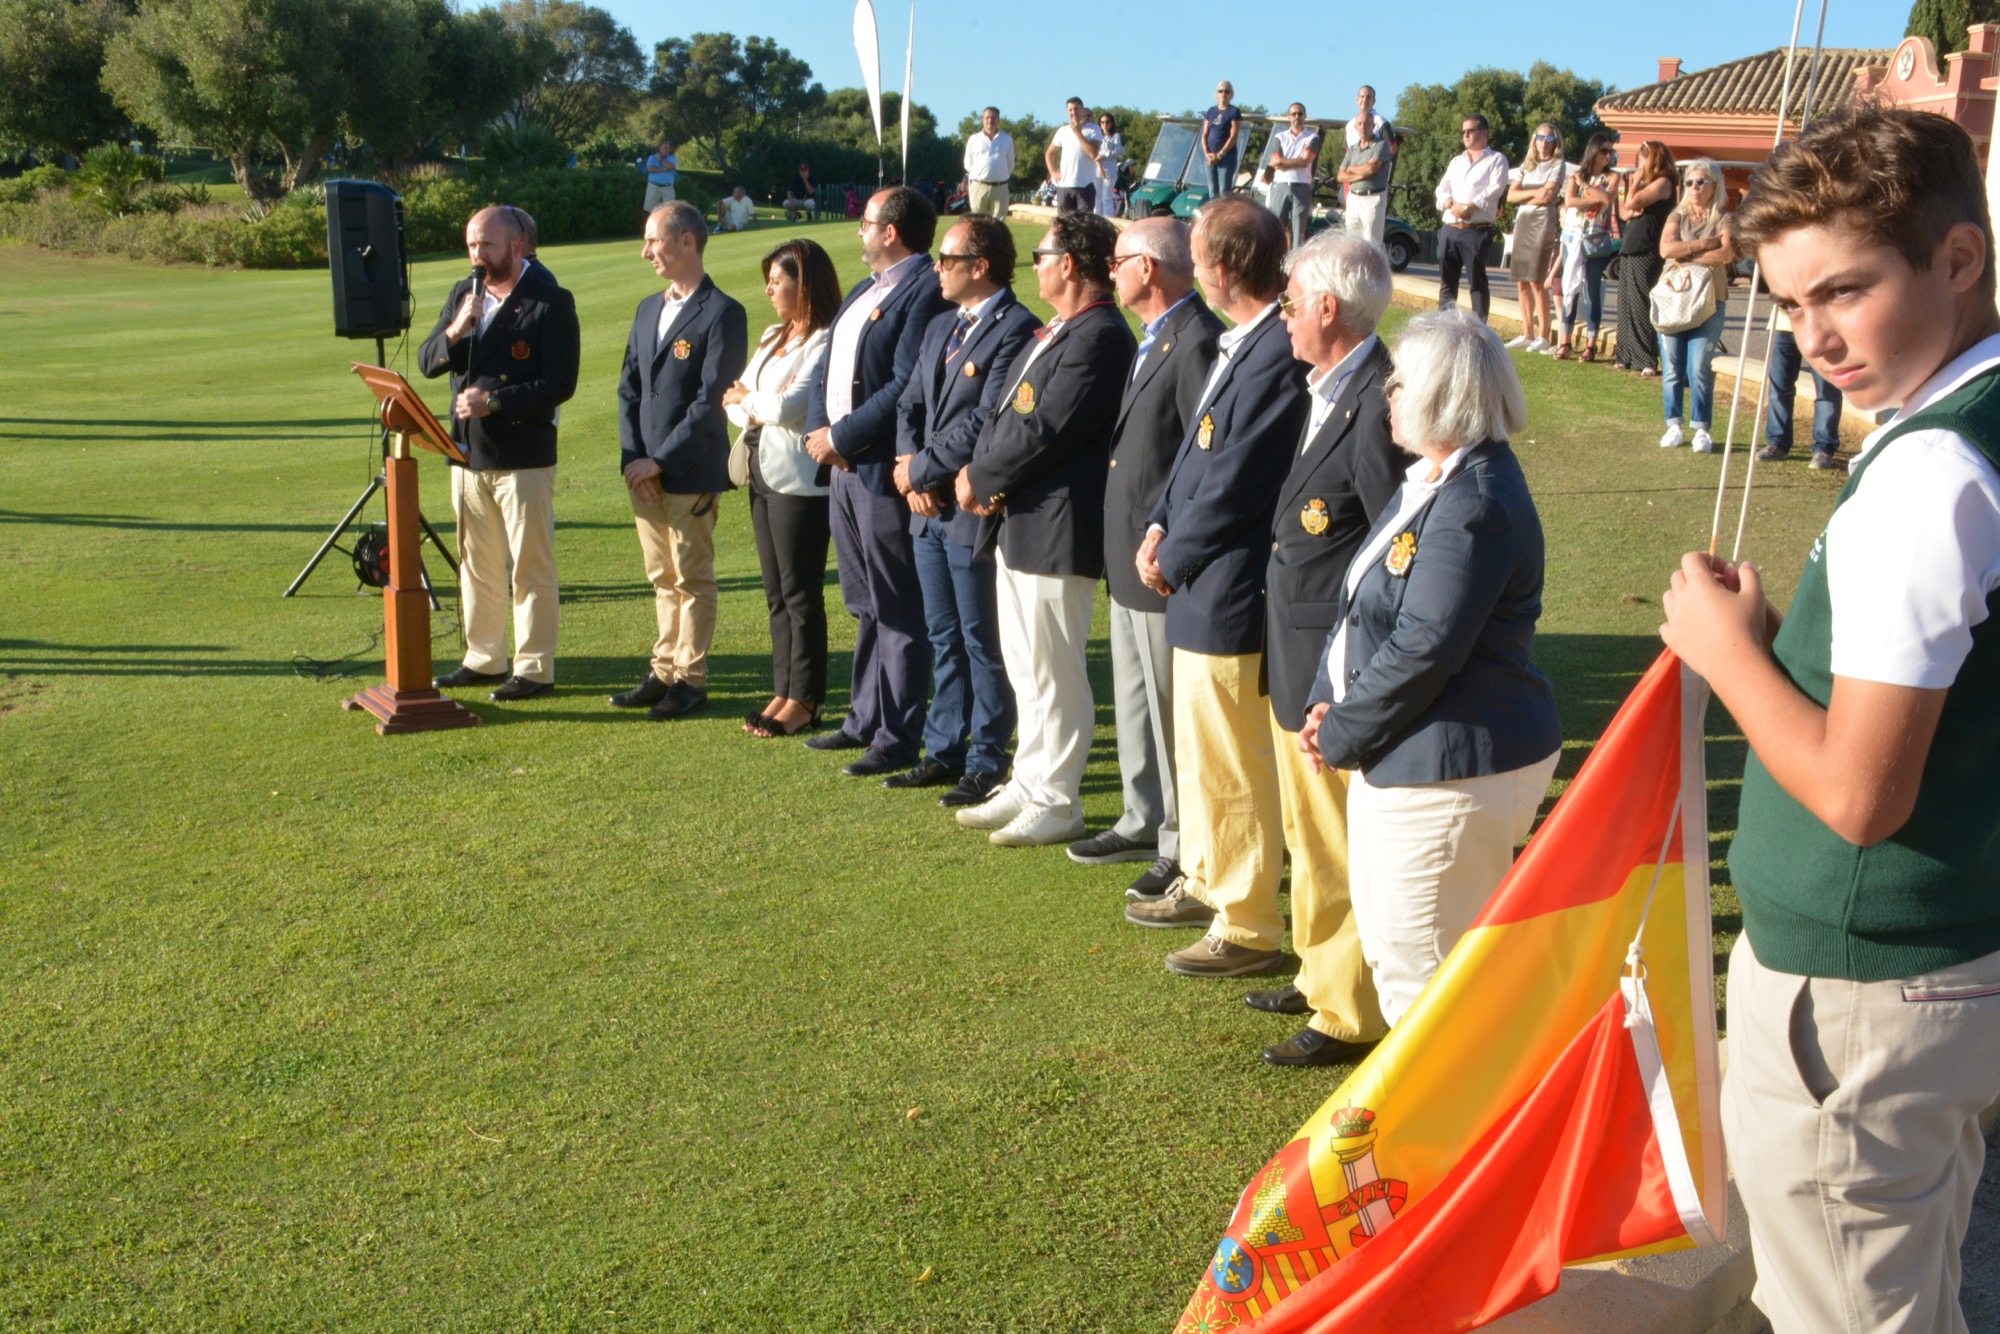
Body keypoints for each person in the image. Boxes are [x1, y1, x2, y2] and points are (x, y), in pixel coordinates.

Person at [1657, 105, 2000, 1334]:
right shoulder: (1957, 425)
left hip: (1863, 992)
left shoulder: (1930, 473)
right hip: (1929, 976)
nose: (1810, 338)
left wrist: (1725, 653)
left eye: (1843, 291)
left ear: (1956, 258)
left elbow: (1861, 797)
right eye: (1788, 303)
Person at [1302, 307, 1561, 1028]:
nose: (1387, 393)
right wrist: (1329, 698)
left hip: (1445, 768)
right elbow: (1362, 605)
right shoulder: (1436, 478)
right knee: (1406, 968)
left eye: (1399, 383)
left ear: (1440, 397)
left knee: (1425, 986)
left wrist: (1342, 730)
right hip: (1408, 754)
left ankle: (1461, 1108)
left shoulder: (1475, 501)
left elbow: (1425, 646)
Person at [1126, 198, 1309, 980]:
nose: (1193, 271)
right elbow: (1194, 458)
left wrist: (1174, 550)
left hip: (1230, 586)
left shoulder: (1275, 352)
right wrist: (1160, 525)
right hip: (1200, 579)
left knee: (1232, 764)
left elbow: (1238, 479)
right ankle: (1207, 878)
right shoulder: (1245, 342)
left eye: (1199, 258)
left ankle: (1247, 924)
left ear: (1226, 267)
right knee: (1202, 757)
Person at [1254, 228, 1406, 1067]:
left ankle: (1348, 1009)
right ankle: (1320, 973)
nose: (1281, 314)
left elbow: (1393, 550)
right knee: (1308, 836)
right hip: (1296, 649)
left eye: (1288, 301)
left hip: (1331, 666)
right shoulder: (1326, 385)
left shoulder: (1379, 402)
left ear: (1325, 306)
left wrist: (1352, 677)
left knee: (1336, 844)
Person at [953, 211, 1135, 846]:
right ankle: (1029, 781)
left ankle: (1058, 799)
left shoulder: (1101, 335)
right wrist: (983, 474)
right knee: (1027, 665)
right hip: (1023, 519)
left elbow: (1048, 428)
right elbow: (1010, 417)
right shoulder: (1064, 329)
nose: (1034, 266)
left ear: (1070, 264)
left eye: (1041, 256)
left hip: (1060, 524)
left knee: (1055, 670)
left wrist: (980, 476)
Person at [1074, 216, 1226, 895]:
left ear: (1148, 268)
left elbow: (1204, 458)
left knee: (1169, 714)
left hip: (1161, 557)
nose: (1109, 271)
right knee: (1135, 700)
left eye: (1118, 260)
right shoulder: (1157, 333)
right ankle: (1142, 816)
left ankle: (1180, 840)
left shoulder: (1196, 339)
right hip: (1130, 551)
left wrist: (1172, 538)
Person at [889, 215, 1041, 804]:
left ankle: (987, 759)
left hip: (969, 509)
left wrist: (922, 471)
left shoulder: (1017, 329)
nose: (937, 269)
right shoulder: (940, 325)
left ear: (980, 266)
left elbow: (987, 419)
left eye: (948, 260)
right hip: (927, 508)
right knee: (943, 634)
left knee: (982, 639)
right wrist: (911, 471)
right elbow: (910, 403)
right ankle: (944, 749)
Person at [801, 187, 953, 774]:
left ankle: (897, 735)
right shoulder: (865, 289)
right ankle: (864, 718)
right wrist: (820, 433)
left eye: (864, 222)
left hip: (882, 469)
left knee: (897, 605)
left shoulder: (925, 290)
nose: (858, 231)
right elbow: (827, 367)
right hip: (843, 469)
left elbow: (904, 384)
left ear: (890, 231)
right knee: (864, 601)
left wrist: (841, 438)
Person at [419, 205, 580, 703]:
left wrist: (494, 401)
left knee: (530, 568)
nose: (477, 255)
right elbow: (427, 362)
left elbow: (560, 383)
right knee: (477, 565)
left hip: (522, 455)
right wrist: (455, 330)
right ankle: (483, 658)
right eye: (471, 244)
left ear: (515, 245)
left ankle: (534, 669)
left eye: (486, 245)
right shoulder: (463, 295)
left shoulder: (549, 300)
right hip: (467, 454)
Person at [609, 202, 749, 721]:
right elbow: (629, 389)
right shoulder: (648, 308)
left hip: (689, 471)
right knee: (661, 577)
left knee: (691, 578)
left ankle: (691, 679)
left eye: (654, 240)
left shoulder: (723, 311)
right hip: (643, 474)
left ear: (686, 241)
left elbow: (711, 402)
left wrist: (661, 461)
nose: (645, 251)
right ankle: (664, 669)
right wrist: (634, 459)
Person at [727, 239, 840, 739]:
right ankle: (784, 689)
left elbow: (792, 407)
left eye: (778, 280)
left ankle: (806, 699)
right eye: (768, 280)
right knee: (775, 592)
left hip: (799, 482)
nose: (769, 289)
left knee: (800, 591)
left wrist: (752, 401)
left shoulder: (825, 340)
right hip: (760, 470)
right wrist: (754, 402)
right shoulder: (774, 335)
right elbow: (733, 399)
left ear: (805, 284)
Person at [1656, 157, 1736, 453]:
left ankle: (1702, 428)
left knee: (1699, 365)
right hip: (1674, 299)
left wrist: (1684, 254)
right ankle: (1673, 425)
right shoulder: (1677, 216)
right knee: (1672, 367)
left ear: (1715, 185)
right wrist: (1703, 245)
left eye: (1701, 182)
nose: (1694, 187)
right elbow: (1665, 249)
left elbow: (1726, 254)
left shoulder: (1725, 219)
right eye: (1689, 182)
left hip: (1710, 299)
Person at [1434, 114, 1509, 324]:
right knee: (1447, 284)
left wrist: (1469, 206)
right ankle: (1444, 326)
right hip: (1450, 229)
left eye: (1470, 130)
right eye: (1464, 131)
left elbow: (1495, 189)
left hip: (1476, 230)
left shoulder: (1496, 160)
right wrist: (1452, 204)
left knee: (1477, 283)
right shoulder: (1457, 161)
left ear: (1484, 133)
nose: (1465, 135)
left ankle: (1479, 329)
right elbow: (1441, 188)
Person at [1551, 132, 1618, 362]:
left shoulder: (1612, 177)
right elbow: (1570, 201)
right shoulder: (1576, 175)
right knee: (1570, 289)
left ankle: (1591, 344)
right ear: (1594, 151)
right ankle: (1565, 341)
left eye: (1611, 152)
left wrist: (1586, 187)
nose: (1608, 156)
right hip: (1573, 238)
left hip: (1595, 240)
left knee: (1592, 291)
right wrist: (1594, 197)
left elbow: (1608, 199)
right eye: (1604, 151)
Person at [1615, 140, 1678, 377]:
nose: (1640, 163)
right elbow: (1625, 211)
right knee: (1625, 303)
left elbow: (1633, 202)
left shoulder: (1663, 182)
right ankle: (1625, 355)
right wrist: (1634, 198)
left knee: (1641, 302)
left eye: (1645, 157)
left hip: (1647, 247)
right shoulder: (1646, 185)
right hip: (1631, 245)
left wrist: (1635, 183)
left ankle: (1645, 357)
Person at [1505, 123, 1566, 353]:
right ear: (1535, 139)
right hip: (1523, 221)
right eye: (1540, 137)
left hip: (1542, 222)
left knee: (1536, 279)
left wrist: (1525, 195)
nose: (1544, 142)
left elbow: (1548, 196)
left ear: (1555, 142)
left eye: (1549, 138)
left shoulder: (1557, 164)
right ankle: (1527, 332)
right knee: (1521, 279)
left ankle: (1543, 336)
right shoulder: (1527, 165)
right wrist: (1533, 192)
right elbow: (1510, 196)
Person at [1755, 314, 1845, 468]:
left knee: (1827, 391)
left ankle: (1824, 449)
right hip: (1783, 326)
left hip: (1821, 327)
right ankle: (1778, 443)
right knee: (1779, 389)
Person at [1266, 103, 1320, 248]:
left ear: (1305, 116)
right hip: (1280, 185)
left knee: (1299, 232)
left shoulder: (1312, 137)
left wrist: (1282, 161)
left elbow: (1305, 161)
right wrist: (1296, 160)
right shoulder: (1279, 137)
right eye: (1294, 114)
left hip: (1301, 185)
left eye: (1300, 114)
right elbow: (1275, 163)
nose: (1297, 117)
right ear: (1289, 116)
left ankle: (1296, 260)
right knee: (1276, 228)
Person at [1339, 106, 1391, 245]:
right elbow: (1340, 176)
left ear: (1373, 126)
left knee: (1371, 245)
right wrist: (1362, 173)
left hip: (1373, 199)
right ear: (1355, 127)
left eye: (1367, 123)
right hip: (1354, 198)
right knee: (1352, 244)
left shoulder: (1381, 145)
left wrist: (1351, 168)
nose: (1363, 127)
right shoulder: (1352, 149)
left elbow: (1371, 168)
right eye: (1360, 124)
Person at [1044, 98, 1102, 215]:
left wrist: (1078, 132)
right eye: (1070, 110)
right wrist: (1053, 171)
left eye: (1076, 109)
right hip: (1065, 186)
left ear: (1083, 110)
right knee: (1064, 223)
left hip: (1085, 186)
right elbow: (1049, 153)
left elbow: (1093, 154)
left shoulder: (1093, 129)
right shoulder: (1063, 131)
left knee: (1084, 224)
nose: (1073, 112)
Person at [963, 107, 1015, 219]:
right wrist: (982, 175)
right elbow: (968, 163)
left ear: (998, 120)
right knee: (978, 222)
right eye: (987, 118)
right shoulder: (973, 139)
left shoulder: (1007, 139)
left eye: (993, 118)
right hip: (979, 187)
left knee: (998, 223)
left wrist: (998, 175)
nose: (990, 120)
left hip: (1000, 188)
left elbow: (1010, 164)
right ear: (983, 120)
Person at [1200, 81, 1243, 200]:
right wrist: (1207, 153)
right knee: (1212, 191)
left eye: (1226, 91)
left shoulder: (1234, 111)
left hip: (1227, 156)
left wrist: (1220, 155)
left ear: (1231, 94)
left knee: (1224, 192)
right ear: (1217, 93)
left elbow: (1233, 136)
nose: (1223, 93)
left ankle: (1225, 212)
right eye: (1221, 91)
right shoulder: (1211, 111)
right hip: (1210, 156)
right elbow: (1204, 134)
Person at [1095, 112, 1126, 219]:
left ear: (1111, 123)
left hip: (1110, 170)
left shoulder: (1115, 136)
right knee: (1097, 197)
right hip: (1096, 168)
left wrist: (1102, 155)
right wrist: (1099, 157)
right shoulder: (1097, 135)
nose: (1104, 124)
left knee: (1107, 197)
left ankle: (1107, 219)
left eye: (1107, 122)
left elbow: (1116, 150)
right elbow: (1093, 150)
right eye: (1102, 122)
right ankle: (1096, 219)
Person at [1342, 85, 1388, 151]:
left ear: (1374, 101)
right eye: (1362, 96)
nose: (1365, 99)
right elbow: (1347, 149)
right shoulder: (1350, 125)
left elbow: (1392, 147)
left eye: (1368, 97)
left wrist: (1377, 157)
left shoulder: (1381, 121)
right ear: (1357, 100)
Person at [643, 141, 677, 212]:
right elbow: (650, 169)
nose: (667, 150)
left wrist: (661, 160)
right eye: (665, 148)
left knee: (670, 210)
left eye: (668, 148)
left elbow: (671, 167)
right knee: (652, 210)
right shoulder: (652, 157)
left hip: (667, 188)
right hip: (653, 187)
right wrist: (664, 169)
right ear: (659, 148)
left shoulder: (672, 158)